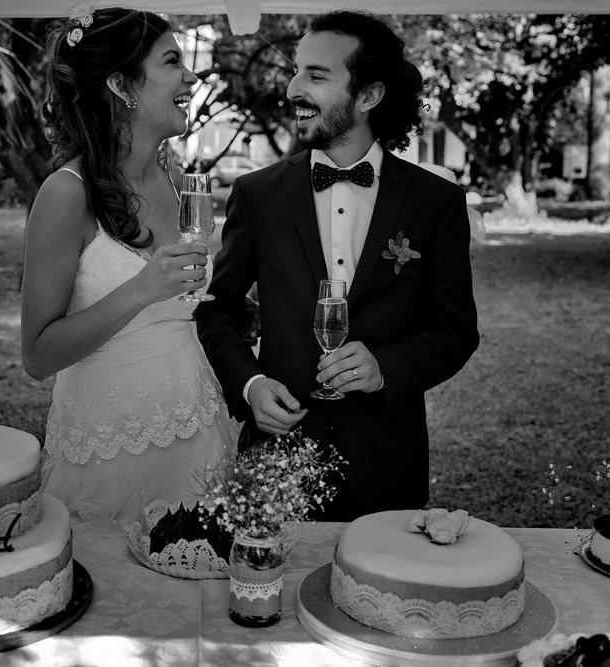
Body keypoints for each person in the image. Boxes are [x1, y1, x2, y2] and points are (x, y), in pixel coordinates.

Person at [196, 11, 479, 521]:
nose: (292, 89)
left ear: (369, 96)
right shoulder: (256, 195)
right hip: (276, 456)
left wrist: (385, 368)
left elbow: (456, 331)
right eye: (297, 70)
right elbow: (218, 312)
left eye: (316, 75)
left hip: (386, 458)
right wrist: (251, 384)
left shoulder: (435, 201)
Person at [21, 8, 235, 526]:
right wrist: (141, 289)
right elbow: (38, 355)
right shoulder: (64, 196)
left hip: (198, 432)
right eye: (171, 62)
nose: (191, 76)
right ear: (121, 85)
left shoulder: (176, 175)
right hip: (108, 453)